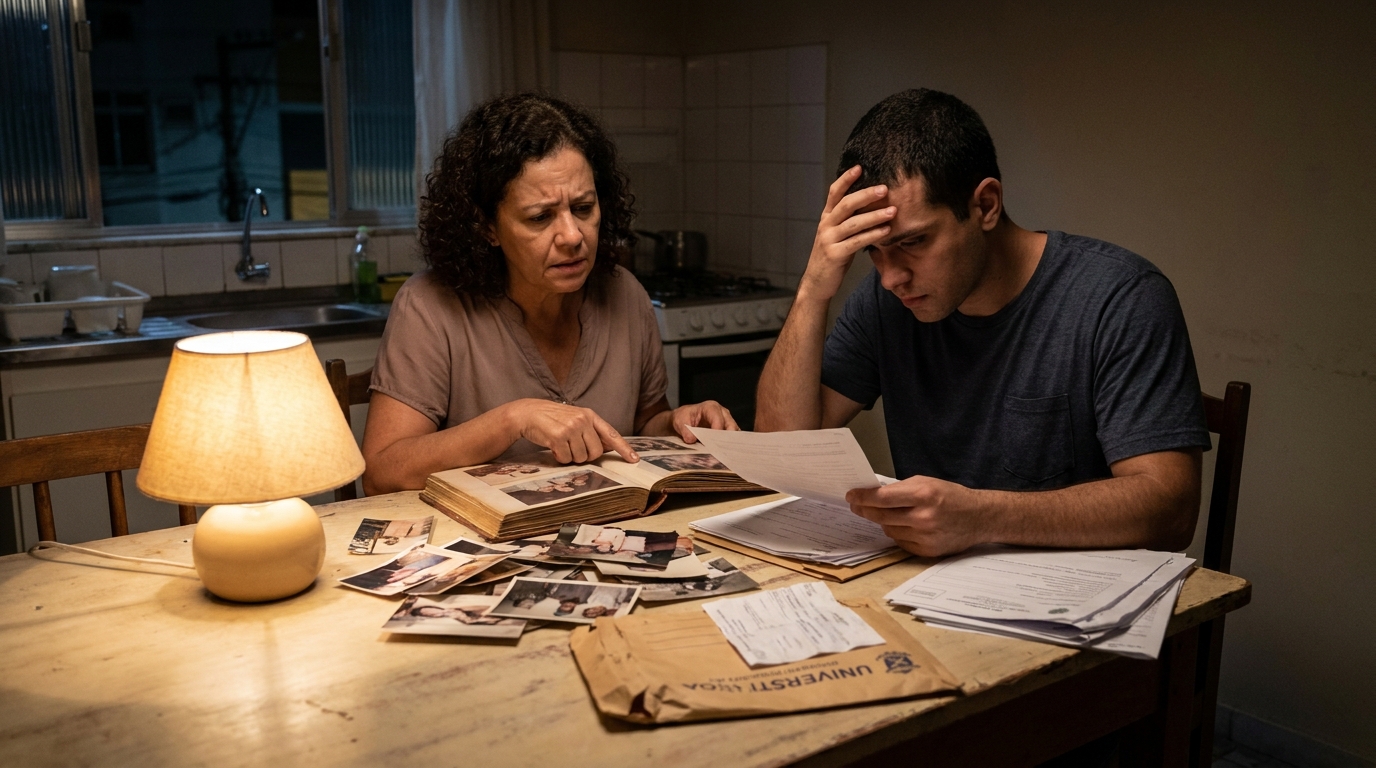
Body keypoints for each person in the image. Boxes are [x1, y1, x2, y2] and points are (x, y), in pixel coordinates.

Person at [755, 88, 1211, 558]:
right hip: (930, 591)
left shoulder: (1119, 296)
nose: (890, 276)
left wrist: (981, 516)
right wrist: (813, 288)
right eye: (872, 250)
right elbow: (783, 453)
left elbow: (1170, 511)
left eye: (913, 242)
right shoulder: (886, 300)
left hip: (1077, 604)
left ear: (986, 205)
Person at [362, 93, 738, 494]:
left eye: (583, 208)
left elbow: (644, 424)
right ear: (487, 227)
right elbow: (382, 473)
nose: (573, 237)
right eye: (540, 217)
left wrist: (680, 422)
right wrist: (513, 419)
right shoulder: (430, 305)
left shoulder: (624, 293)